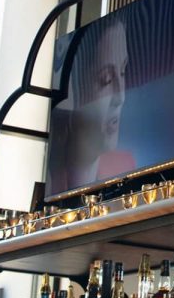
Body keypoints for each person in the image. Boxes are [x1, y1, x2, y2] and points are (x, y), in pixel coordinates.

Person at [47, 16, 135, 195]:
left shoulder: (126, 169)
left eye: (123, 71)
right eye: (107, 80)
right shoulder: (51, 183)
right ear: (71, 91)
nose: (121, 97)